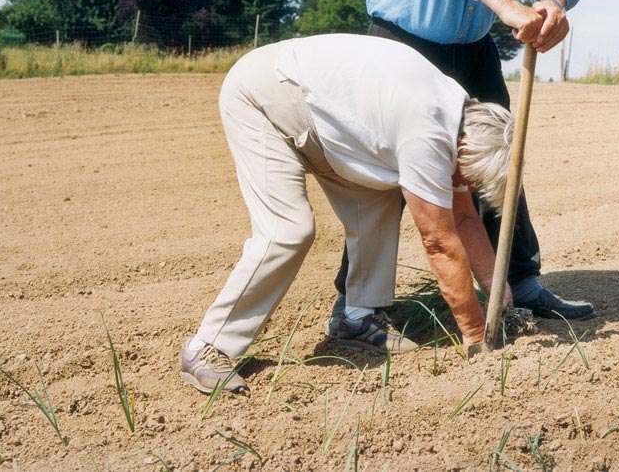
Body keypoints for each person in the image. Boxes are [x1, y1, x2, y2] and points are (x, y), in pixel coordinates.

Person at [329, 0, 595, 329]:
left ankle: (518, 283)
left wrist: (551, 3)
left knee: (498, 160)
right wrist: (509, 8)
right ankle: (357, 309)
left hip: (471, 48)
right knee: (392, 174)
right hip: (402, 41)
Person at [180, 34, 515, 395]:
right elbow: (439, 243)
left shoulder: (458, 116)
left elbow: (464, 219)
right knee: (289, 230)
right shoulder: (428, 132)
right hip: (263, 96)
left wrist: (500, 295)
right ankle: (207, 347)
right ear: (465, 149)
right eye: (471, 176)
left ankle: (356, 318)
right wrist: (478, 336)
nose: (467, 185)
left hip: (323, 121)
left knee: (380, 196)